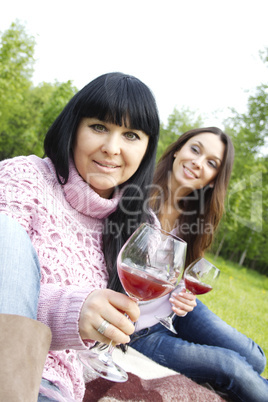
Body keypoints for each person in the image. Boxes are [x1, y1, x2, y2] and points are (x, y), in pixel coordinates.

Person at [0, 72, 160, 401]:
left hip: (47, 386)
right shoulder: (25, 178)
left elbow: (122, 331)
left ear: (147, 149)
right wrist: (70, 311)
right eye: (99, 127)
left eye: (130, 135)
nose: (112, 148)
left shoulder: (140, 227)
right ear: (74, 127)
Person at [129, 127, 268, 402]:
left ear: (214, 178)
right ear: (178, 149)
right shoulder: (136, 198)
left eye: (211, 163)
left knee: (255, 356)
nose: (198, 162)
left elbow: (183, 271)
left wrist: (185, 294)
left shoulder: (195, 216)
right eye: (195, 149)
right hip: (141, 329)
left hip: (177, 309)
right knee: (232, 367)